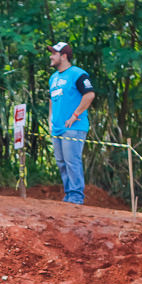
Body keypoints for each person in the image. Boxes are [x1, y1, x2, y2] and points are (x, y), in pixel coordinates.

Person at [47, 42, 96, 204]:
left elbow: (89, 95)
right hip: (57, 128)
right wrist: (50, 120)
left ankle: (76, 196)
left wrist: (75, 115)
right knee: (61, 163)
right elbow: (51, 101)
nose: (51, 56)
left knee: (72, 161)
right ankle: (68, 194)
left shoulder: (78, 74)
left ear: (64, 56)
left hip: (74, 127)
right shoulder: (53, 78)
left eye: (54, 53)